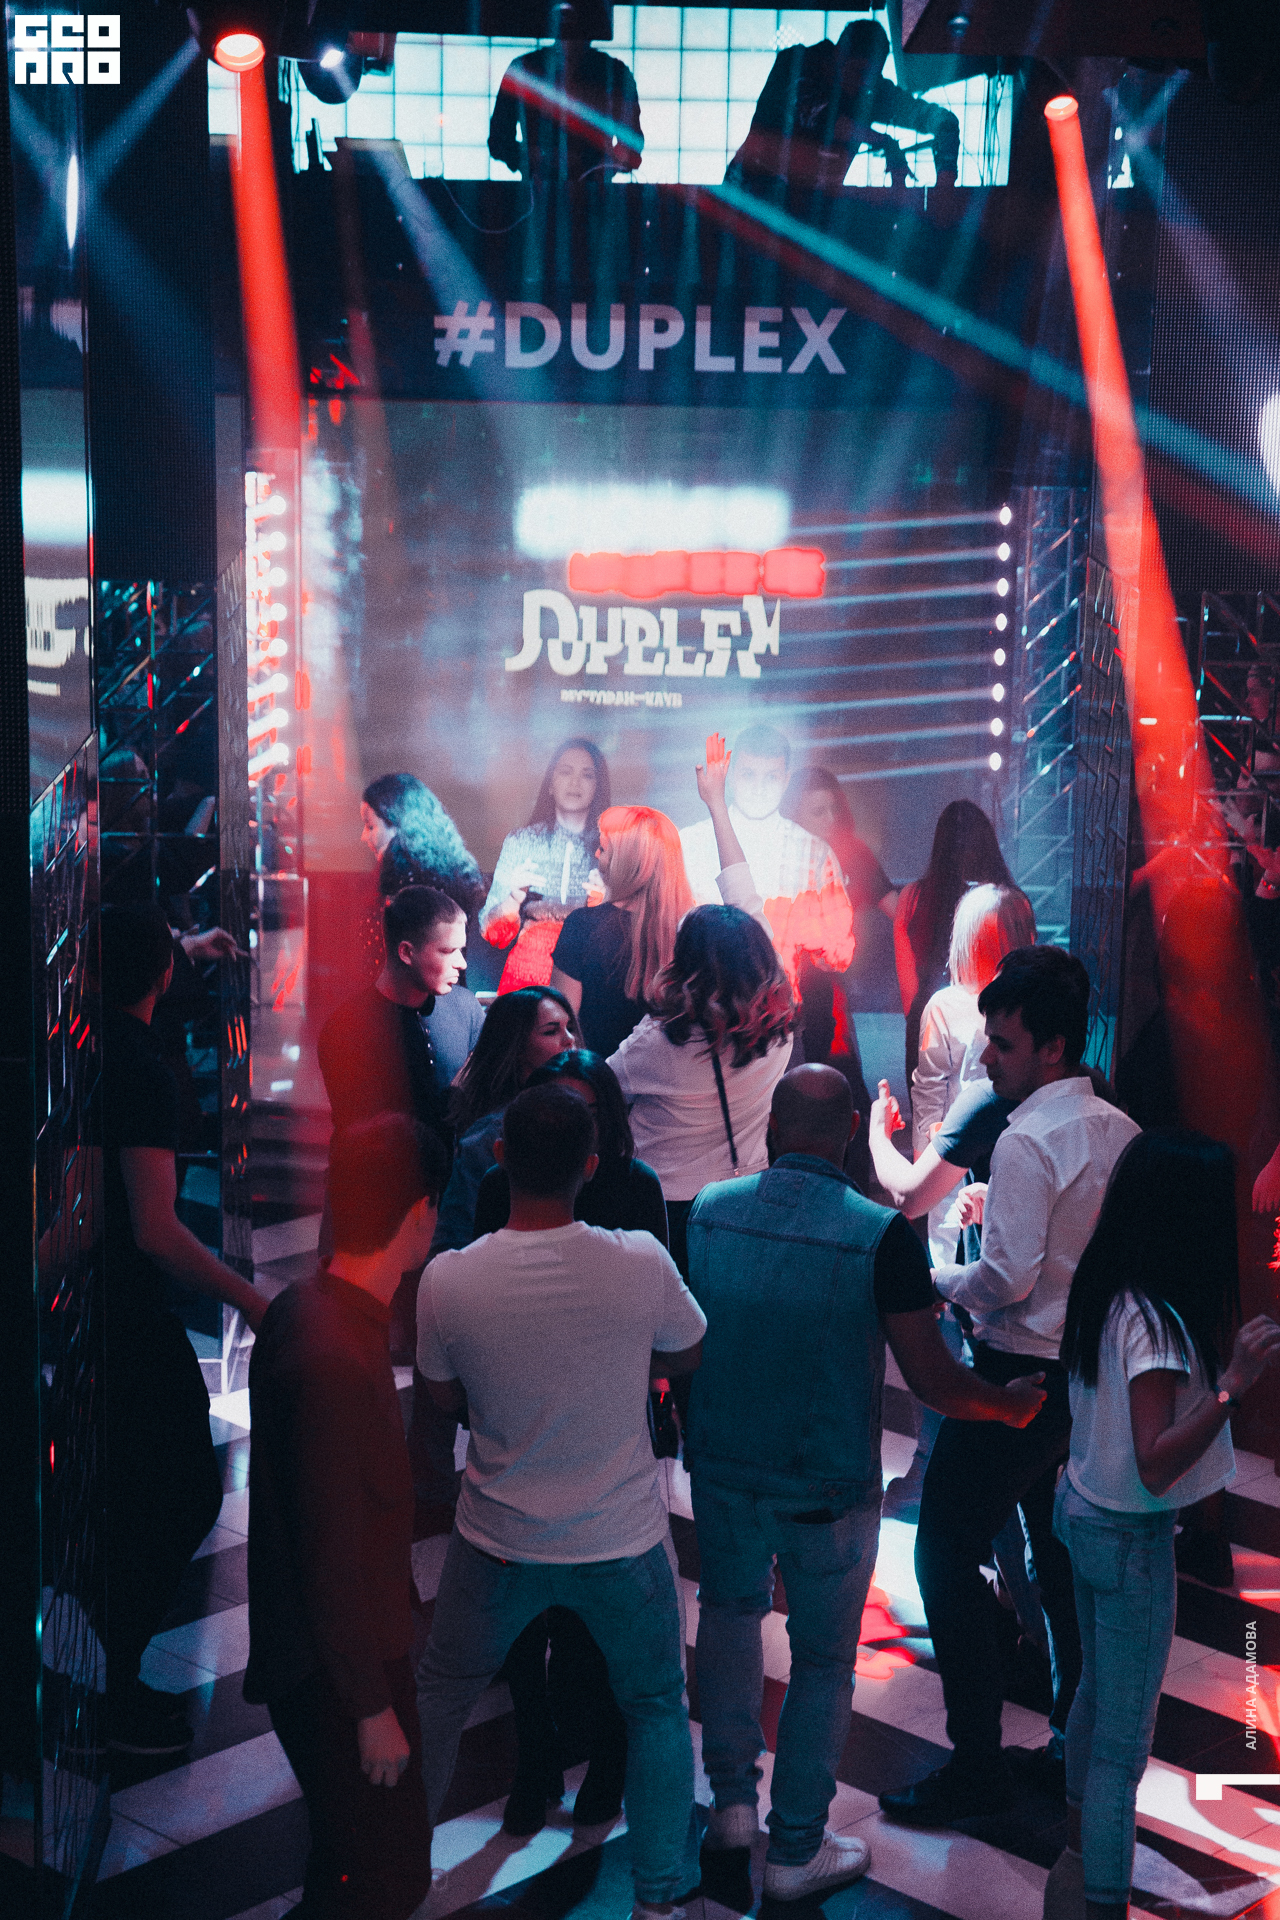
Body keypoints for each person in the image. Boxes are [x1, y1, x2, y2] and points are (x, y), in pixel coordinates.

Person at [686, 1066, 1046, 1902]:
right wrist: (1008, 1405)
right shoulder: (879, 1235)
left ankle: (730, 1812)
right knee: (820, 1661)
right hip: (827, 1486)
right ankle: (795, 1849)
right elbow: (932, 1380)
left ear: (774, 1127)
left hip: (726, 1468)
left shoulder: (708, 1210)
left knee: (730, 1621)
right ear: (852, 1130)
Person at [416, 1085, 707, 1920]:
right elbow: (689, 1348)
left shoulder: (449, 1279)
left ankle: (399, 1880)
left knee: (441, 1697)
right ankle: (658, 1902)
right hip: (622, 1542)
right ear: (590, 1166)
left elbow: (441, 1397)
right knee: (656, 1708)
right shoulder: (639, 1261)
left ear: (500, 1158)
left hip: (496, 1538)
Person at [881, 946, 1140, 1828]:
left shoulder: (1027, 1137)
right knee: (1055, 1557)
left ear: (1052, 1048)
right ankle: (1070, 1744)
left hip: (1015, 1373)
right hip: (1084, 1374)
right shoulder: (1118, 1127)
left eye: (1002, 1044)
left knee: (943, 1551)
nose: (986, 1059)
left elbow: (1006, 1279)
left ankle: (978, 1767)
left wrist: (935, 1280)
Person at [1045, 1131, 1280, 1920]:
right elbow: (1154, 1463)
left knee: (1092, 1698)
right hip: (1126, 1537)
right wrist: (1234, 1386)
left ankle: (1075, 1864)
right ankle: (1101, 1902)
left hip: (1081, 1511)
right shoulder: (1156, 1324)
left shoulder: (1107, 1288)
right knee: (1122, 1752)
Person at [245, 1114, 446, 1920]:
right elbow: (331, 1556)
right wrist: (371, 1708)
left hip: (329, 1655)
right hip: (335, 1673)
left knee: (346, 1860)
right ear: (421, 1213)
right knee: (386, 1878)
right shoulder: (334, 1358)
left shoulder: (303, 1309)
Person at [473, 1050, 667, 1837]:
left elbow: (668, 1322)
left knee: (596, 1613)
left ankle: (607, 1758)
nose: (562, 1124)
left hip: (603, 1418)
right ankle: (536, 1760)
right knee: (521, 1619)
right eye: (550, 1106)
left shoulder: (633, 1186)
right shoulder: (500, 1188)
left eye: (580, 1110)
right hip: (520, 1417)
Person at [98, 903, 266, 1754]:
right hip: (123, 1311)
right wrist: (253, 1301)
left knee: (142, 1493)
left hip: (91, 1311)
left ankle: (110, 1677)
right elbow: (156, 1231)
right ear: (164, 974)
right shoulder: (140, 1067)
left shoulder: (83, 1046)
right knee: (183, 1492)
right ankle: (110, 1690)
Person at [317, 885, 470, 1502]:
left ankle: (428, 1478)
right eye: (448, 951)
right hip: (374, 1217)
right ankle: (360, 1478)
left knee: (438, 1345)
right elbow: (361, 1141)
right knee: (364, 1347)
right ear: (406, 951)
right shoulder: (352, 1026)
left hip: (440, 1211)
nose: (462, 963)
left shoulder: (463, 1010)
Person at [609, 904, 794, 1279]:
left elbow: (600, 1087)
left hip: (667, 1202)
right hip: (745, 1193)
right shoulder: (779, 1034)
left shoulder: (661, 1042)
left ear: (686, 965)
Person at [912, 884, 1037, 1264]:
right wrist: (927, 1161)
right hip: (959, 1156)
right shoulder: (944, 1007)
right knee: (954, 1254)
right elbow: (928, 1091)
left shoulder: (1036, 1004)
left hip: (1017, 1150)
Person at [679, 724, 855, 991]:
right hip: (701, 1002)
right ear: (731, 775)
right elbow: (668, 932)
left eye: (771, 777)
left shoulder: (814, 853)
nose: (758, 788)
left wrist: (811, 932)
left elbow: (839, 955)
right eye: (748, 775)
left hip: (777, 1006)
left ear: (785, 780)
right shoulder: (690, 843)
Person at [726, 17, 960, 195]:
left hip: (807, 208)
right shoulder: (796, 62)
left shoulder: (871, 90)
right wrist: (883, 141)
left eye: (873, 77)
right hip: (747, 191)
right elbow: (819, 115)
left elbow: (944, 122)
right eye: (859, 72)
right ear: (838, 55)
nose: (863, 85)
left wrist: (946, 185)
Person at [550, 805, 694, 1058]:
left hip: (599, 1075)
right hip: (675, 1077)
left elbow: (561, 1024)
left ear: (627, 863)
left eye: (603, 848)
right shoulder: (694, 931)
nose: (596, 854)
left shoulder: (583, 925)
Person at [894, 798, 1014, 1090]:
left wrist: (922, 1022)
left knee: (930, 1110)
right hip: (990, 1026)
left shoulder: (913, 897)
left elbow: (908, 991)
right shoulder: (1007, 901)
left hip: (928, 1025)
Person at [481, 737, 610, 994]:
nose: (575, 783)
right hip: (527, 973)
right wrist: (513, 900)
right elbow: (491, 933)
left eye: (587, 775)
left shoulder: (611, 848)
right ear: (550, 783)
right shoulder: (522, 841)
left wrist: (605, 903)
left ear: (598, 787)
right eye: (565, 772)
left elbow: (625, 936)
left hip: (587, 970)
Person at [488, 1, 643, 187]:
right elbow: (499, 140)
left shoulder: (616, 73)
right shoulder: (523, 68)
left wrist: (601, 167)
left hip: (592, 189)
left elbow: (632, 144)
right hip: (539, 187)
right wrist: (534, 158)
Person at [360, 771, 484, 919]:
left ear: (397, 825)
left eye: (370, 826)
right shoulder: (454, 873)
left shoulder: (406, 885)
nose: (364, 836)